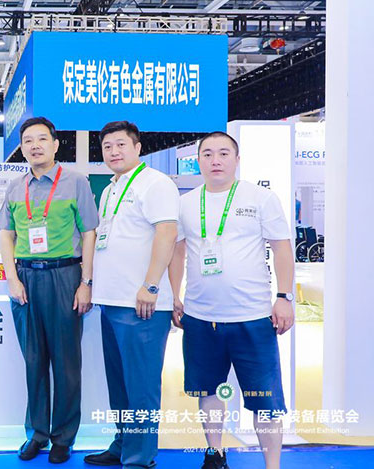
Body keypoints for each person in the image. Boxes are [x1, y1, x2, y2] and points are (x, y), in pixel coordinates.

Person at [168, 131, 294, 469]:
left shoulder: (261, 198)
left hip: (253, 317)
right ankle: (216, 453)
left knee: (265, 400)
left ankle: (272, 465)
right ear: (198, 161)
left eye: (224, 153)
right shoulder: (185, 203)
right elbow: (178, 251)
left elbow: (282, 248)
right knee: (208, 390)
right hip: (200, 317)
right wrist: (174, 295)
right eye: (207, 154)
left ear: (237, 159)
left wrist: (284, 297)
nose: (215, 160)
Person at [0, 117, 98, 464]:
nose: (35, 145)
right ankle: (37, 433)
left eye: (42, 139)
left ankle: (63, 437)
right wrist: (12, 278)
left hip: (65, 276)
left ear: (55, 145)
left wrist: (85, 282)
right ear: (22, 148)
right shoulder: (16, 187)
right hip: (26, 278)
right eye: (28, 140)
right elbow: (7, 234)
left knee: (66, 363)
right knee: (34, 360)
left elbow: (89, 233)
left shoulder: (76, 182)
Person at [85, 121, 179, 469]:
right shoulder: (111, 189)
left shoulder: (155, 183)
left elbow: (167, 233)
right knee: (120, 383)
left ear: (138, 147)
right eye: (107, 146)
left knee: (141, 385)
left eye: (121, 144)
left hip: (142, 303)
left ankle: (139, 457)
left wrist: (151, 285)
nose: (114, 152)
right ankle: (124, 443)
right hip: (112, 301)